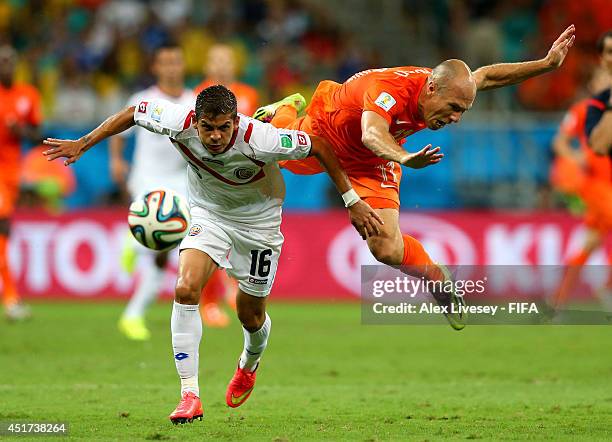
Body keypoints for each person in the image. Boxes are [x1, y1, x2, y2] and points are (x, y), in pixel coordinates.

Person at [43, 85, 384, 424]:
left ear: (236, 121)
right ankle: (189, 395)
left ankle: (249, 364)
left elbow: (319, 146)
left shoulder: (260, 139)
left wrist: (352, 201)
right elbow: (134, 113)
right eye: (208, 127)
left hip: (260, 226)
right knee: (185, 288)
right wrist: (83, 143)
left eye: (224, 127)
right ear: (196, 121)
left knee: (249, 316)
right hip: (209, 215)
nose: (216, 136)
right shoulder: (178, 121)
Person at [255, 25, 577, 329]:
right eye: (453, 108)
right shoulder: (390, 89)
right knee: (270, 145)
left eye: (462, 111)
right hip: (326, 132)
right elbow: (371, 133)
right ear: (432, 89)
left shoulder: (449, 85)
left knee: (387, 250)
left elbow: (485, 76)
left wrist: (546, 64)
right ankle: (286, 107)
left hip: (371, 161)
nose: (455, 118)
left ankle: (438, 279)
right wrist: (404, 156)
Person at [110, 43, 233, 338]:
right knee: (163, 246)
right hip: (147, 180)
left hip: (181, 181)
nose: (171, 68)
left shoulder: (194, 101)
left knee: (166, 254)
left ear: (183, 66)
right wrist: (115, 161)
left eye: (176, 62)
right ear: (155, 67)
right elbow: (120, 132)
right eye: (165, 63)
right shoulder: (143, 99)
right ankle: (136, 244)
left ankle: (133, 308)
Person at [550, 44, 612, 309]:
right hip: (596, 186)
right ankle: (606, 291)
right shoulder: (582, 110)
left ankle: (557, 302)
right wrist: (576, 158)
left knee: (589, 243)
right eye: (603, 77)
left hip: (607, 186)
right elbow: (560, 143)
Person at [0, 45, 42, 321]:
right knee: (2, 227)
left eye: (10, 61)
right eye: (2, 61)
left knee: (3, 234)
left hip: (13, 173)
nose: (6, 65)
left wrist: (20, 130)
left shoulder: (28, 94)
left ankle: (12, 297)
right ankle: (11, 297)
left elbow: (38, 133)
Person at [195, 43, 259, 116]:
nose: (221, 65)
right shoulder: (197, 94)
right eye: (216, 61)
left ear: (235, 65)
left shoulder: (249, 93)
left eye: (226, 61)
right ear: (206, 66)